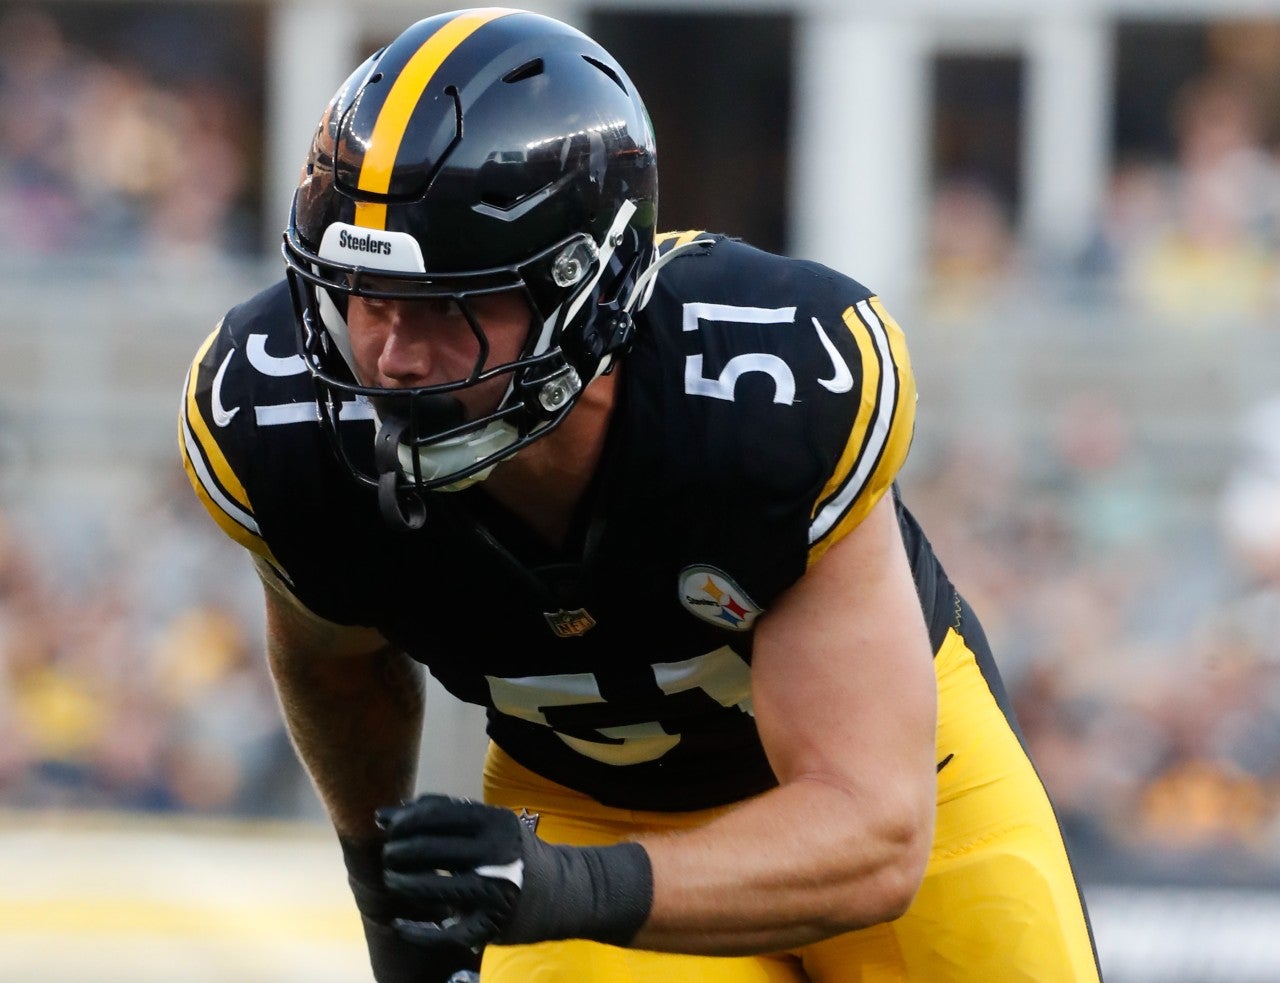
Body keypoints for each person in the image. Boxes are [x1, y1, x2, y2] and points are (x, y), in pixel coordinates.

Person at [178, 8, 1102, 982]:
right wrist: (386, 894)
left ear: (588, 291)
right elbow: (334, 666)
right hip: (586, 806)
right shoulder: (276, 422)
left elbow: (869, 827)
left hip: (879, 787)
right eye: (366, 301)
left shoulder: (761, 395)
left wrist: (569, 890)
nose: (394, 357)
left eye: (447, 306)